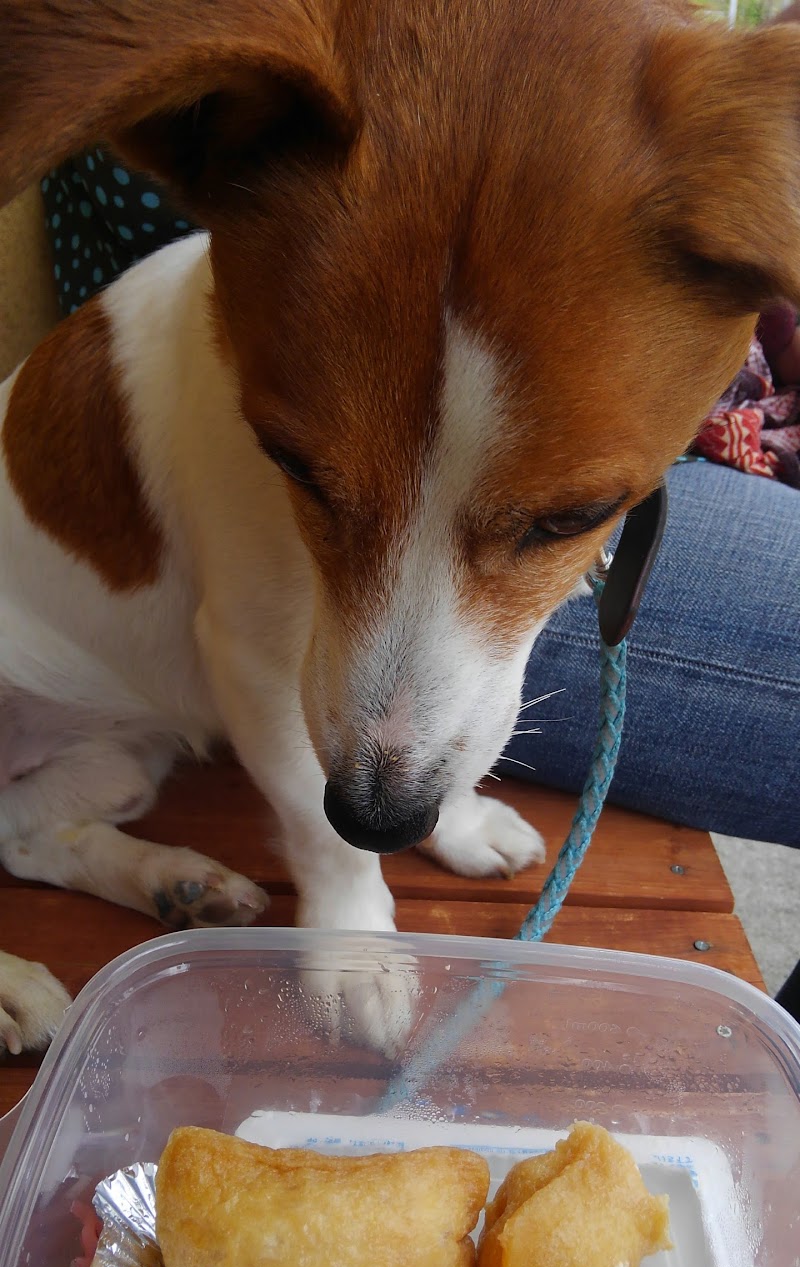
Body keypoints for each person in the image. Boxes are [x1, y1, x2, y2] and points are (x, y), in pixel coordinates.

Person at [39, 153, 800, 1010]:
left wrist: (453, 800)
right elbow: (247, 644)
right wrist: (343, 890)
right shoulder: (277, 337)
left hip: (125, 721)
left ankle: (45, 839)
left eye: (557, 516)